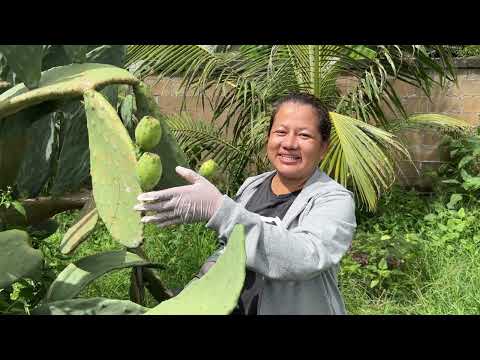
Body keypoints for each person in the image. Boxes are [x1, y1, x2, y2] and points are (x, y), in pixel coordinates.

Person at [134, 93, 357, 315]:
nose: (289, 143)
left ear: (324, 147)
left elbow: (304, 257)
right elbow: (230, 251)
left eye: (304, 135)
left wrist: (220, 210)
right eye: (280, 132)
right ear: (268, 138)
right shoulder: (253, 186)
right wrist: (195, 289)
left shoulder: (334, 200)